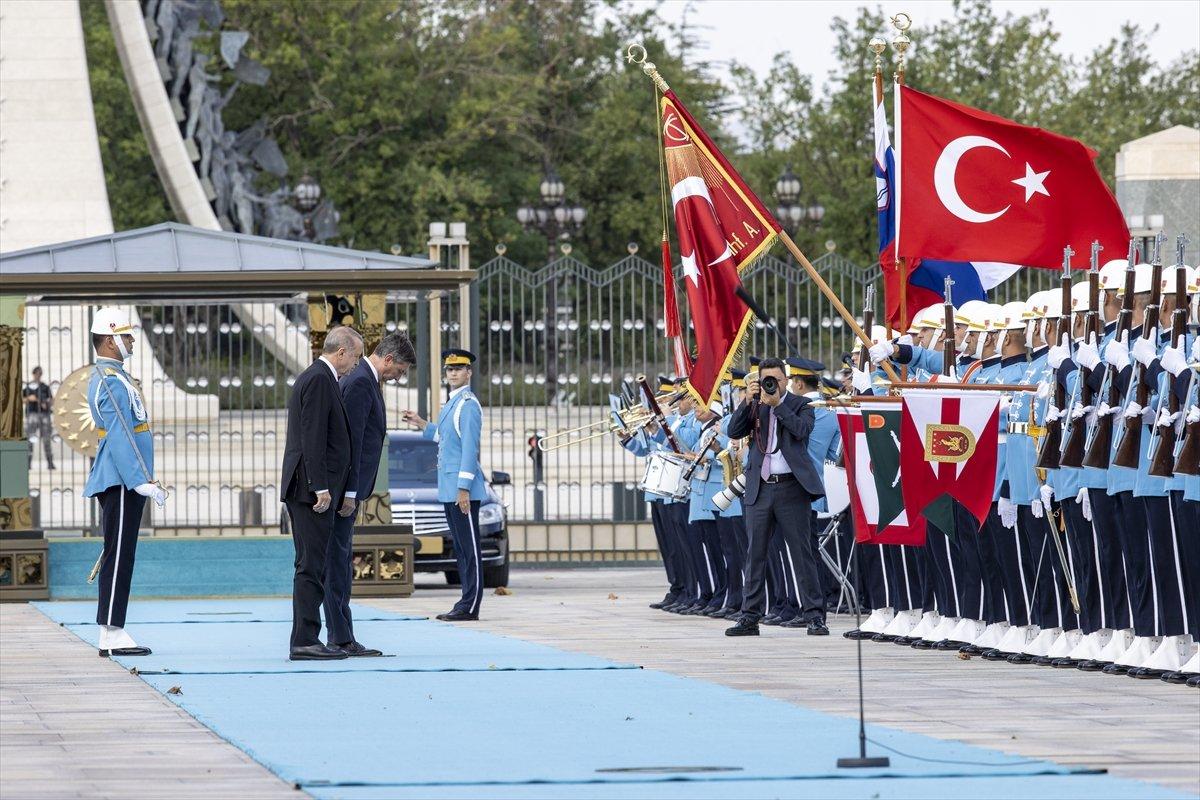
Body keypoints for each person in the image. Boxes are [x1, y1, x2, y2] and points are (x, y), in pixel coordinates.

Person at [324, 332, 416, 657]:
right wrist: (350, 491)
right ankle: (340, 637)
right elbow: (352, 441)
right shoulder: (362, 381)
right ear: (388, 359)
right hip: (346, 490)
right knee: (337, 562)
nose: (398, 377)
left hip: (352, 488)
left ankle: (343, 634)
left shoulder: (366, 379)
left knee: (342, 561)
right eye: (400, 371)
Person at [82, 308, 166, 658]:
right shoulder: (110, 381)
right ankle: (112, 631)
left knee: (121, 552)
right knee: (119, 555)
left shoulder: (117, 377)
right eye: (126, 336)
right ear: (110, 340)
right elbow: (121, 436)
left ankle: (112, 629)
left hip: (124, 479)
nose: (131, 341)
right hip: (120, 480)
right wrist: (138, 480)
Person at [725, 357, 828, 637]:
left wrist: (778, 406)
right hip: (760, 488)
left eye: (776, 380)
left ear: (786, 380)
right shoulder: (755, 404)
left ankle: (814, 616)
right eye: (765, 380)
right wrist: (748, 401)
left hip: (792, 488)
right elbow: (733, 431)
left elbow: (802, 431)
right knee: (755, 554)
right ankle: (749, 617)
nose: (771, 385)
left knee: (802, 553)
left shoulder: (800, 404)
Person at [281, 325, 362, 660]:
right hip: (310, 492)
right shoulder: (318, 378)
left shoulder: (321, 377)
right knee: (311, 565)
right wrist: (322, 487)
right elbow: (312, 437)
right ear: (341, 352)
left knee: (316, 564)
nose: (356, 364)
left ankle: (308, 636)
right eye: (355, 357)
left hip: (313, 488)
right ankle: (304, 639)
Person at [403, 349, 488, 622]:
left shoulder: (468, 404)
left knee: (470, 549)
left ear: (469, 372)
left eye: (459, 368)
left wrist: (463, 488)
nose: (453, 373)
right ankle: (465, 601)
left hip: (461, 490)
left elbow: (468, 450)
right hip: (450, 489)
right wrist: (421, 423)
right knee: (462, 549)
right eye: (449, 369)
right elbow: (445, 436)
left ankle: (471, 604)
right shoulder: (453, 403)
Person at [23, 366, 54, 470]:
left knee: (46, 439)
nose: (38, 375)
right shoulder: (28, 387)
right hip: (32, 414)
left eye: (40, 373)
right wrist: (29, 398)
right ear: (33, 374)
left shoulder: (45, 387)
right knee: (30, 439)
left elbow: (51, 400)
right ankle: (28, 463)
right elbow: (21, 399)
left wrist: (46, 403)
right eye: (36, 373)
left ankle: (50, 463)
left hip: (44, 415)